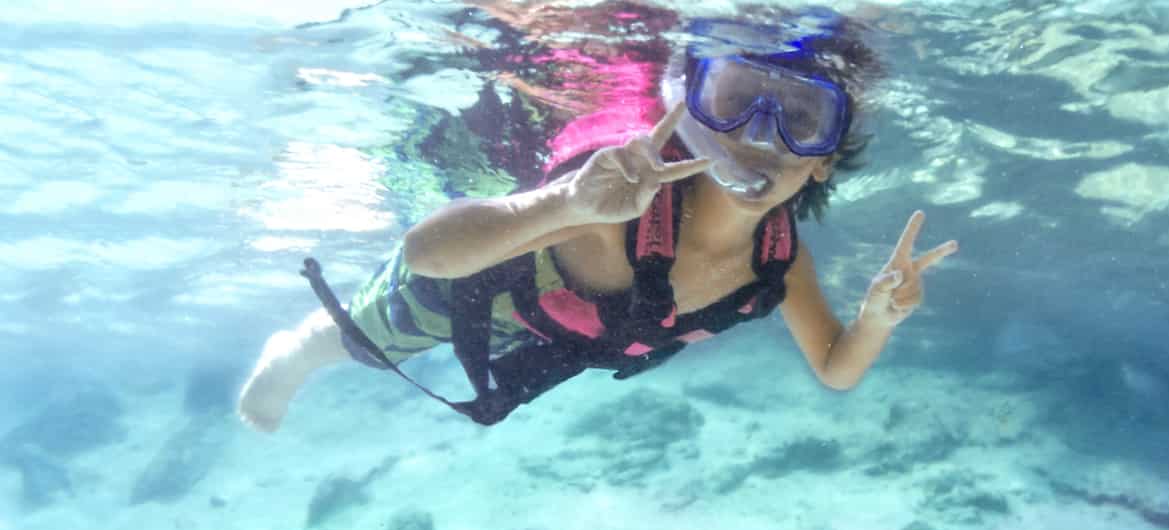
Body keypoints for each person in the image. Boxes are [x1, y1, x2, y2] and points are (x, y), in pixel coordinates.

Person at [238, 12, 957, 431]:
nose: (760, 136)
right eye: (733, 100)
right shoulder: (617, 212)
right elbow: (427, 252)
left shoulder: (777, 257)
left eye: (803, 119)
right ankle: (291, 355)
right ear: (693, 112)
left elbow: (835, 368)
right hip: (483, 282)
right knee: (365, 340)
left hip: (568, 333)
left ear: (828, 157)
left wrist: (875, 321)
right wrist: (564, 206)